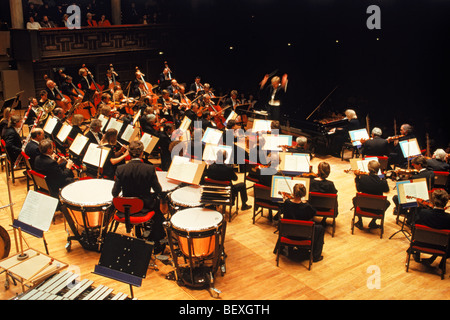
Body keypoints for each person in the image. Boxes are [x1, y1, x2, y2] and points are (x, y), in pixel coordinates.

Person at [112, 140, 166, 251]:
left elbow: (114, 193)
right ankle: (157, 238)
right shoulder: (149, 169)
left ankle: (142, 234)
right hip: (144, 206)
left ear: (128, 153)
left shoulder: (120, 169)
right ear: (142, 153)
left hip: (126, 208)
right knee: (157, 207)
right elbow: (158, 190)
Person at [280, 183, 325, 262]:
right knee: (320, 228)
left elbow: (283, 211)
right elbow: (314, 213)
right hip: (303, 235)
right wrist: (305, 202)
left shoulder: (287, 203)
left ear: (293, 193)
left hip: (289, 233)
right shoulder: (307, 206)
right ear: (303, 194)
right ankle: (316, 256)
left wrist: (286, 200)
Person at [413, 189, 450, 269]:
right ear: (446, 202)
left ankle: (415, 252)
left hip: (421, 243)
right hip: (440, 247)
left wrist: (419, 207)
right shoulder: (448, 218)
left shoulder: (423, 213)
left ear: (433, 201)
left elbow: (415, 225)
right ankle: (442, 262)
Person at [353, 160, 390, 229]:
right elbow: (387, 190)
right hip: (377, 208)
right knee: (387, 203)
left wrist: (357, 177)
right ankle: (373, 222)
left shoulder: (363, 178)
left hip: (363, 206)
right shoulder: (382, 182)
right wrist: (384, 178)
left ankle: (360, 221)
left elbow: (359, 189)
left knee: (355, 199)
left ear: (368, 169)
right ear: (378, 170)